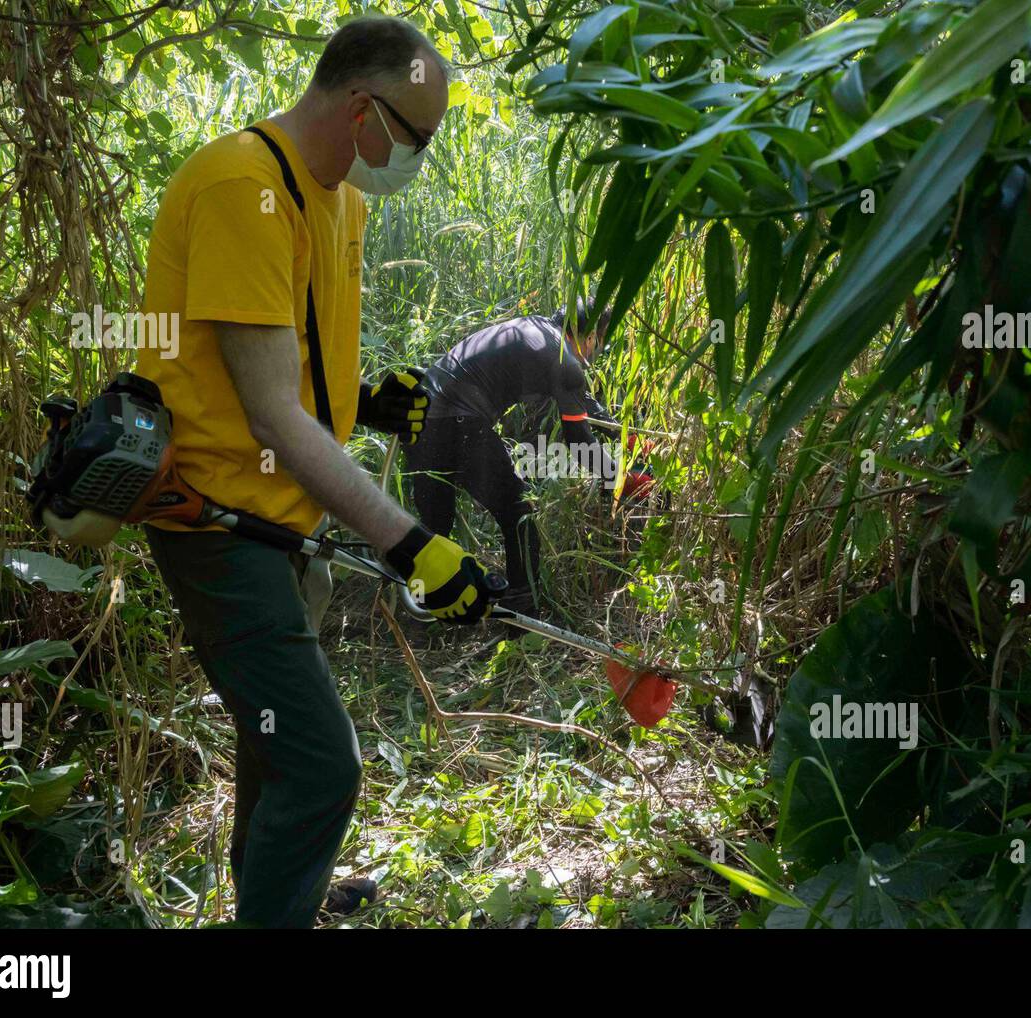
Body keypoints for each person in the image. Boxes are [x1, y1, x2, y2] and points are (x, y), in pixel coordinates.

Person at [133, 15, 500, 929]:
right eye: (416, 138)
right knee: (323, 761)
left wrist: (367, 400)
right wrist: (415, 546)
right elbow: (266, 414)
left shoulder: (338, 198)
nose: (416, 157)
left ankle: (275, 892)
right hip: (216, 521)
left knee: (274, 744)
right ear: (362, 108)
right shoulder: (239, 188)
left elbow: (286, 369)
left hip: (284, 516)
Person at [404, 299, 652, 610]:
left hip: (415, 416)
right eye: (599, 343)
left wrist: (628, 437)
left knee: (436, 523)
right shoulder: (562, 357)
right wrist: (621, 483)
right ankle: (522, 615)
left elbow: (583, 402)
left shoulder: (537, 330)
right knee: (518, 512)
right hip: (456, 422)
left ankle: (421, 604)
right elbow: (579, 441)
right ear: (589, 337)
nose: (596, 352)